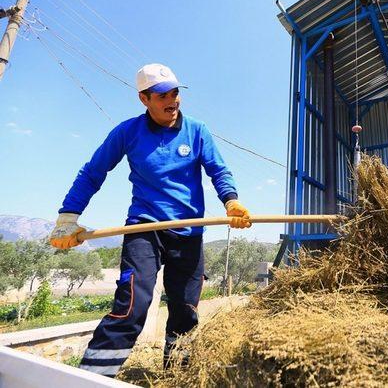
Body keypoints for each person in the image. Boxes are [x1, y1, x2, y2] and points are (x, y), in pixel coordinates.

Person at [49, 63, 251, 377]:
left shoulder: (197, 131)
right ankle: (91, 379)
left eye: (175, 92)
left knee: (185, 314)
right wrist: (68, 217)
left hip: (189, 232)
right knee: (132, 307)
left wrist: (231, 201)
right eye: (162, 96)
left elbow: (218, 171)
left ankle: (177, 378)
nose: (172, 100)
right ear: (144, 99)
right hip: (145, 229)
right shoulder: (127, 132)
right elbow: (93, 172)